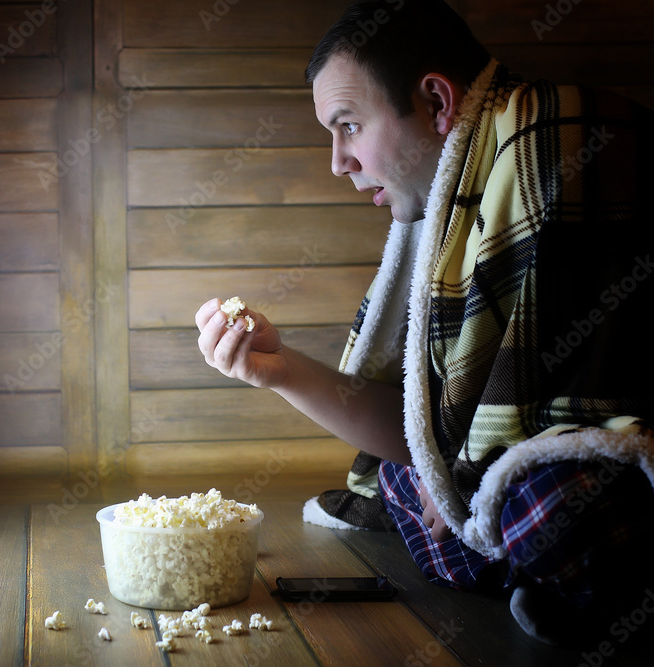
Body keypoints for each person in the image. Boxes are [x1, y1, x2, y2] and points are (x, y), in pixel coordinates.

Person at [195, 0, 654, 647]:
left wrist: (465, 475)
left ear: (438, 104)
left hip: (613, 468)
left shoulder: (552, 133)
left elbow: (602, 403)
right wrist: (277, 367)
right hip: (525, 484)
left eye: (348, 125)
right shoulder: (442, 215)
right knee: (401, 478)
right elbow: (418, 438)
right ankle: (571, 588)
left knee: (546, 511)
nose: (338, 161)